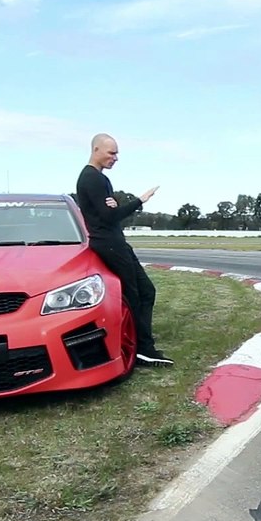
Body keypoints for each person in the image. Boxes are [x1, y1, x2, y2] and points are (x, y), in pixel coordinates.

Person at [76, 133, 174, 366]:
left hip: (113, 241)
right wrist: (141, 200)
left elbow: (109, 212)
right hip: (109, 242)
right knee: (134, 294)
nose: (116, 158)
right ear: (96, 150)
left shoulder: (97, 178)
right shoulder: (93, 179)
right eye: (112, 153)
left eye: (117, 153)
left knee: (145, 291)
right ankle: (141, 349)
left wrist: (114, 206)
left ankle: (142, 345)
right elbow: (110, 215)